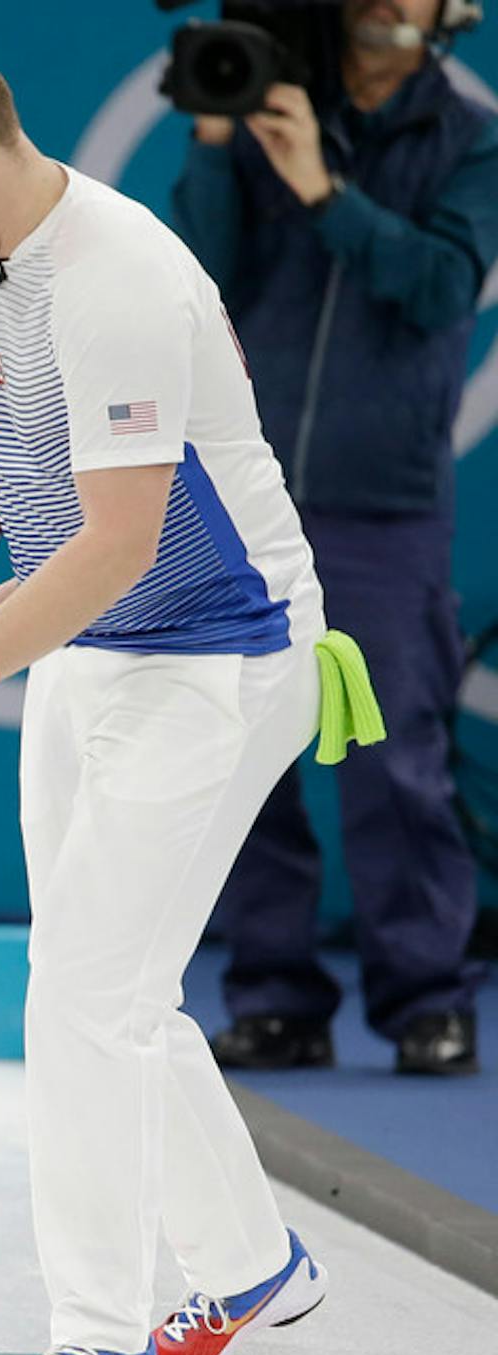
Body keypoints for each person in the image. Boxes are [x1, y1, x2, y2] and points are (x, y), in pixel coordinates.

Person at [0, 30, 377, 1355]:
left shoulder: (117, 278)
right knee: (103, 978)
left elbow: (120, 537)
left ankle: (102, 1337)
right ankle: (251, 1266)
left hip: (223, 656)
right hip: (101, 650)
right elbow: (51, 497)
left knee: (84, 998)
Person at [170, 0, 497, 1076]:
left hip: (384, 501)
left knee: (394, 761)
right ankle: (275, 997)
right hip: (249, 493)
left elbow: (443, 287)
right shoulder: (270, 108)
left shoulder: (469, 139)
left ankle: (424, 1003)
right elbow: (200, 278)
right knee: (240, 752)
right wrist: (221, 138)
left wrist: (326, 191)